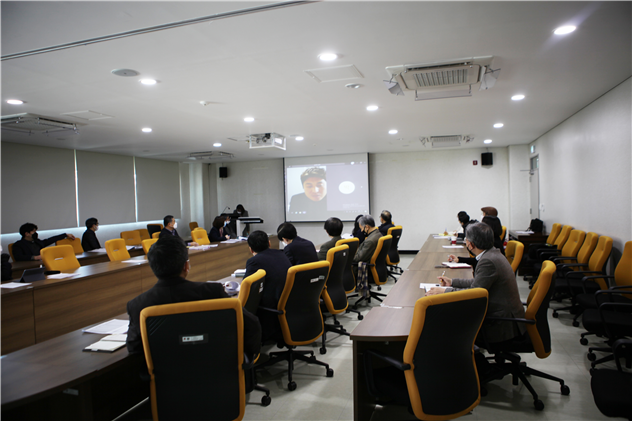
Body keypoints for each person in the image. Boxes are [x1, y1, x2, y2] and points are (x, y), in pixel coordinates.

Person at [126, 235, 261, 358]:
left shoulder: (137, 305)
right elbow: (251, 324)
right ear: (186, 266)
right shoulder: (212, 292)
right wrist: (244, 360)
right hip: (217, 373)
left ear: (152, 267)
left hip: (167, 381)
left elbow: (134, 349)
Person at [427, 222, 525, 345]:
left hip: (501, 324)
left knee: (448, 323)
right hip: (506, 315)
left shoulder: (488, 261)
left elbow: (475, 293)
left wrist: (444, 292)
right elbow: (477, 283)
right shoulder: (493, 254)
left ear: (470, 244)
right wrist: (452, 282)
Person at [244, 230, 292, 341]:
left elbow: (247, 287)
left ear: (250, 249)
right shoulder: (281, 254)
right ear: (269, 243)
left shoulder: (254, 261)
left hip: (271, 309)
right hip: (288, 303)